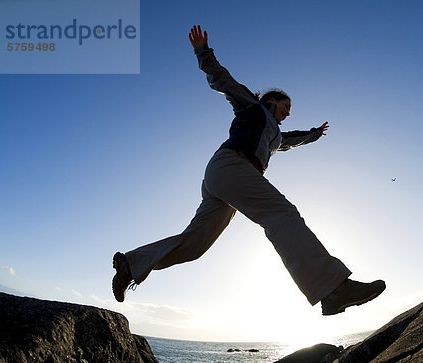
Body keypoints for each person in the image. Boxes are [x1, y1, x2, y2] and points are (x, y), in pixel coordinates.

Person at [112, 25, 385, 316]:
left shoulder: (275, 136)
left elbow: (290, 140)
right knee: (282, 215)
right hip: (231, 165)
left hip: (225, 180)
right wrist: (203, 51)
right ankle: (333, 289)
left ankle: (131, 264)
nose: (287, 112)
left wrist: (315, 134)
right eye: (285, 106)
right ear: (271, 100)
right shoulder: (252, 107)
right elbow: (223, 81)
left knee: (194, 245)